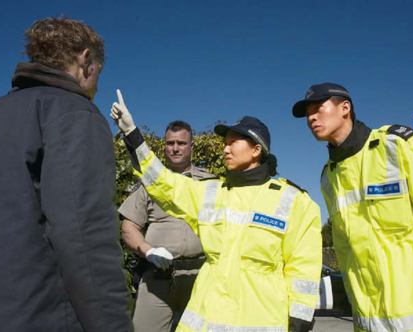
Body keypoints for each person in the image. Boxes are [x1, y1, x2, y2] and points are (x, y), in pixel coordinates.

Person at [110, 90, 322, 332]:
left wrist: (300, 318)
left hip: (262, 318)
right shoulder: (210, 193)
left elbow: (303, 266)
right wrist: (132, 134)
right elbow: (162, 182)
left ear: (256, 150)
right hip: (205, 317)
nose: (225, 149)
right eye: (224, 143)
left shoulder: (295, 201)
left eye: (234, 142)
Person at [0, 17, 131, 332]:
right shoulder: (74, 114)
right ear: (85, 59)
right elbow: (85, 237)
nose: (97, 84)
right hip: (42, 316)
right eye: (99, 71)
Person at [292, 82, 413, 332]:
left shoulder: (394, 146)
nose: (311, 116)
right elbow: (348, 254)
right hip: (373, 323)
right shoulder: (328, 177)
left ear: (345, 107)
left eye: (319, 107)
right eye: (307, 113)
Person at [119, 120, 214, 332]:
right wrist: (148, 250)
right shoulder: (149, 184)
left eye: (181, 143)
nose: (175, 148)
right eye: (170, 143)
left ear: (191, 146)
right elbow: (129, 226)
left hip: (202, 279)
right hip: (158, 279)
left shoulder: (211, 184)